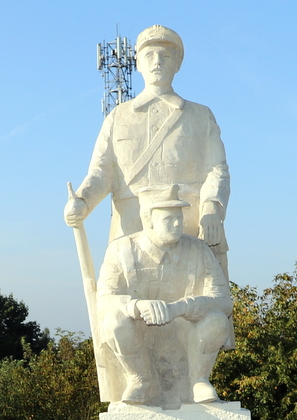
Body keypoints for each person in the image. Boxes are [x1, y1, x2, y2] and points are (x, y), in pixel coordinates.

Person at [64, 24, 231, 272]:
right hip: (130, 232)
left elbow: (216, 170)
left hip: (189, 228)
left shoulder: (200, 116)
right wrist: (83, 201)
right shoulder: (118, 117)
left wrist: (212, 209)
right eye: (149, 55)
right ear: (138, 63)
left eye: (165, 56)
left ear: (178, 63)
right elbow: (102, 171)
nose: (157, 62)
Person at [96, 185, 231, 405]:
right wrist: (136, 306)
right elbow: (103, 301)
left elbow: (223, 302)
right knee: (113, 322)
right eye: (169, 220)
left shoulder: (199, 250)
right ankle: (139, 378)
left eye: (179, 217)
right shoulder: (121, 250)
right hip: (140, 335)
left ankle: (198, 380)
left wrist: (181, 307)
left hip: (187, 334)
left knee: (217, 321)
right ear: (148, 220)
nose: (178, 224)